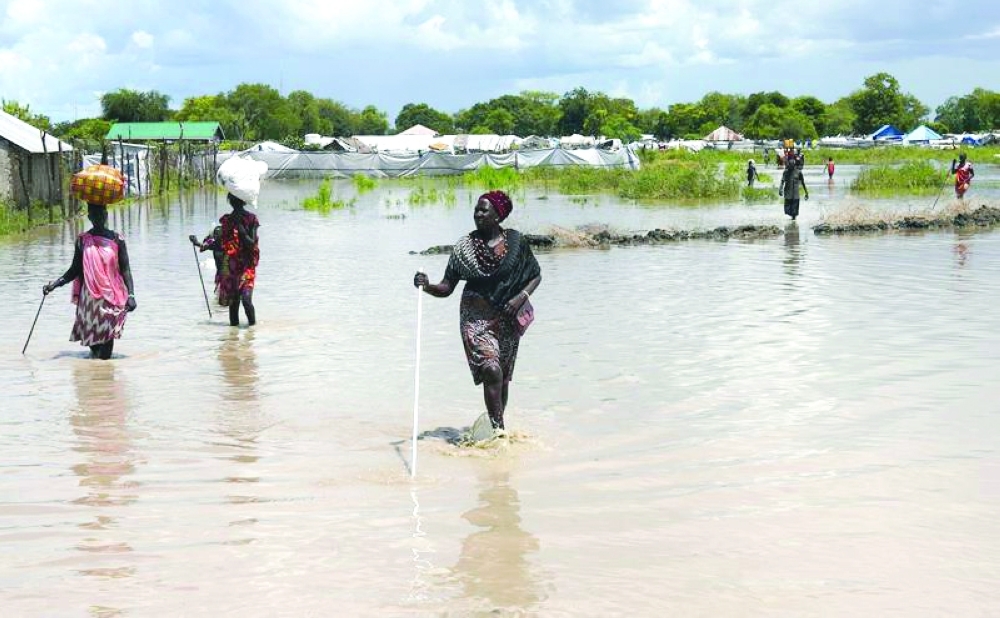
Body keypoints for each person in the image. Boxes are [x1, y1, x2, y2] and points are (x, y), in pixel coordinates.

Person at [413, 190, 542, 431]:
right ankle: (499, 433)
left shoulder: (516, 242)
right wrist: (427, 285)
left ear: (498, 216)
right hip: (476, 318)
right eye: (476, 209)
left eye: (484, 210)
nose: (478, 214)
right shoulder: (465, 247)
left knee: (502, 379)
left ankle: (494, 427)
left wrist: (520, 298)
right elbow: (447, 287)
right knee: (491, 370)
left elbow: (535, 275)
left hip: (508, 318)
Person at [43, 203, 137, 359]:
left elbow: (126, 269)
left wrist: (131, 295)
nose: (99, 218)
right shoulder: (83, 241)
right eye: (95, 214)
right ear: (89, 217)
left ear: (106, 215)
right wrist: (54, 285)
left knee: (106, 348)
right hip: (90, 301)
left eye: (101, 214)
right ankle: (95, 378)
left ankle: (105, 378)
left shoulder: (117, 240)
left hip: (111, 299)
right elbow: (74, 270)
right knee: (94, 349)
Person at [190, 194, 259, 326]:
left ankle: (252, 331)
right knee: (233, 304)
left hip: (247, 267)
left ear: (243, 201)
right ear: (231, 202)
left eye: (237, 200)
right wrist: (199, 244)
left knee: (246, 300)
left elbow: (252, 244)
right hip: (231, 267)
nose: (235, 203)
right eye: (233, 200)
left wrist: (241, 229)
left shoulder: (251, 219)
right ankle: (233, 338)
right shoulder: (227, 221)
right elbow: (219, 244)